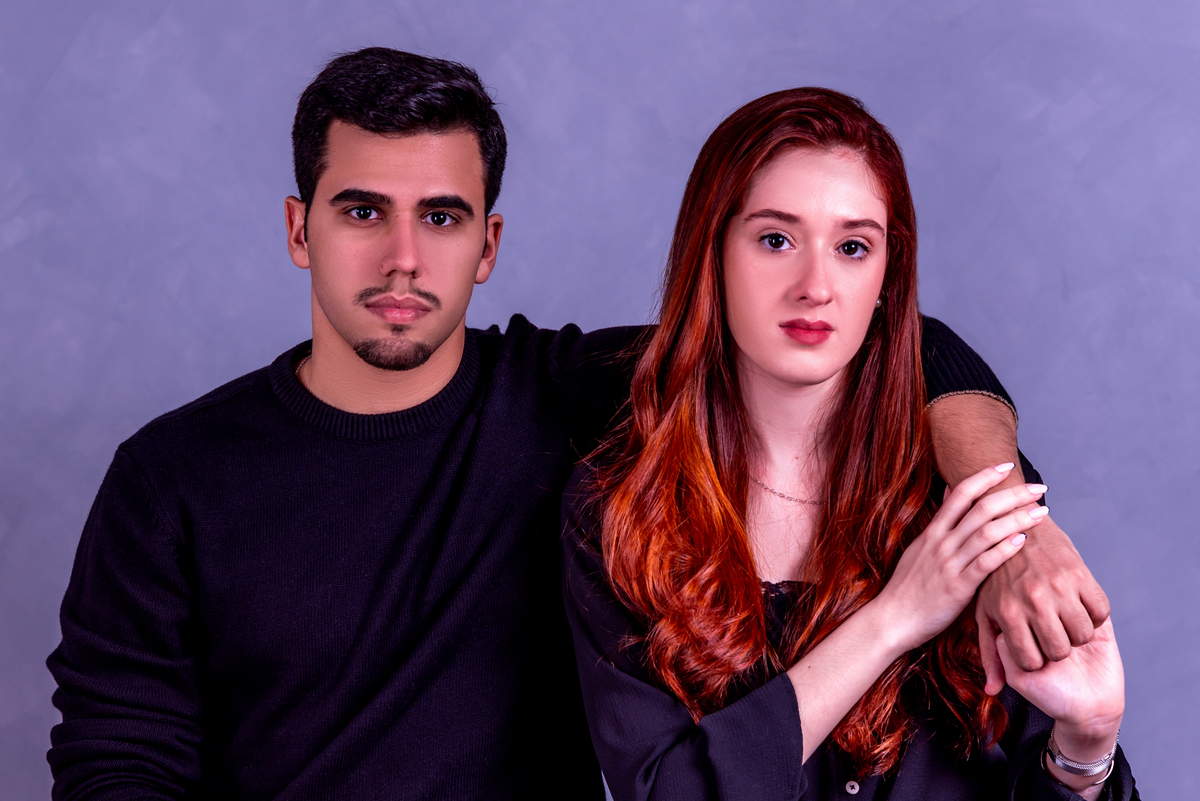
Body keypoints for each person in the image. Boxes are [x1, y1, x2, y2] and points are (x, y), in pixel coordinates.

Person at [46, 49, 1101, 800]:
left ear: (489, 243)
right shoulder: (172, 477)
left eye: (442, 217)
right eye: (363, 210)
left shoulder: (561, 395)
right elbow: (116, 761)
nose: (403, 258)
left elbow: (892, 348)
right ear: (298, 228)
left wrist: (1016, 530)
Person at [562, 88, 1135, 800]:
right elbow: (667, 792)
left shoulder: (959, 495)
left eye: (853, 247)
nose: (816, 286)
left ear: (887, 276)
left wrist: (1087, 745)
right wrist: (895, 618)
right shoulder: (624, 511)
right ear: (713, 254)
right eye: (776, 240)